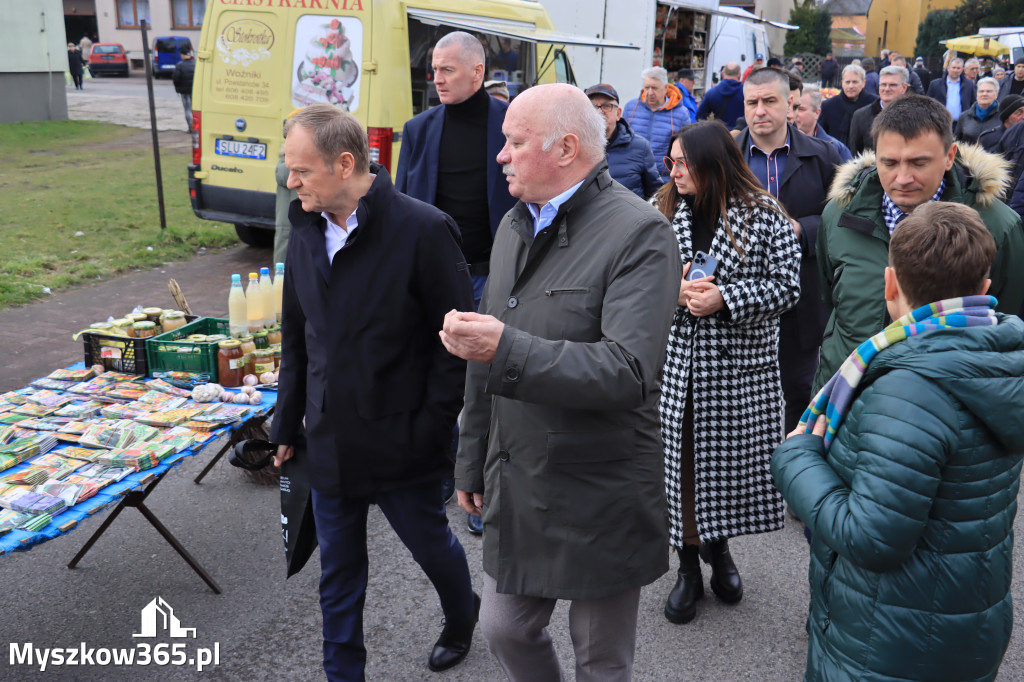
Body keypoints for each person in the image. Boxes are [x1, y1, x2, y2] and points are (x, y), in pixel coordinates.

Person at [444, 83, 681, 681]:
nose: (501, 155)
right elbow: (484, 369)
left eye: (515, 142)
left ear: (567, 148)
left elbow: (627, 371)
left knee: (599, 658)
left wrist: (507, 347)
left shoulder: (640, 233)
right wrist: (470, 462)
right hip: (519, 476)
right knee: (504, 628)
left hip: (598, 483)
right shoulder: (514, 225)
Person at [773, 201, 1024, 682]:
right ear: (985, 291)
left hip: (886, 639)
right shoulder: (1002, 361)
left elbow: (872, 538)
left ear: (890, 285)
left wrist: (796, 457)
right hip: (966, 618)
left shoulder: (908, 389)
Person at [271, 104, 478, 680]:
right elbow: (297, 336)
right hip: (330, 440)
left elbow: (457, 348)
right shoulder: (306, 228)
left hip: (403, 441)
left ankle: (462, 618)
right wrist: (286, 425)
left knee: (432, 548)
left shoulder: (424, 230)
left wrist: (432, 428)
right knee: (338, 573)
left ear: (344, 164)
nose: (292, 182)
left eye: (302, 170)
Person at [655, 119, 800, 624]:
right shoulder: (661, 209)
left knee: (722, 470)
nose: (673, 171)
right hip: (676, 369)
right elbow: (633, 281)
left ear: (713, 165)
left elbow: (788, 287)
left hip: (738, 373)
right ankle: (688, 567)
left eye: (683, 163)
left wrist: (727, 297)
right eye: (670, 161)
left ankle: (720, 551)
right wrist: (669, 293)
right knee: (682, 471)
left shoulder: (765, 215)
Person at [813, 94, 1024, 392]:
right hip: (844, 394)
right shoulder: (839, 215)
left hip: (946, 407)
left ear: (950, 156)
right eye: (889, 162)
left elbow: (1009, 321)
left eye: (918, 162)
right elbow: (830, 298)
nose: (902, 178)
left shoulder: (997, 226)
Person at [396, 31, 517, 535]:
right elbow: (400, 202)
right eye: (434, 70)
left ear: (476, 71)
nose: (437, 79)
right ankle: (444, 470)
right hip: (434, 273)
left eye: (447, 70)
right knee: (435, 372)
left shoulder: (507, 123)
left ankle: (481, 486)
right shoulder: (420, 128)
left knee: (485, 378)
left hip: (493, 269)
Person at [735, 67, 841, 434]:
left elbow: (841, 218)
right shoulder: (727, 157)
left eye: (769, 101)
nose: (760, 111)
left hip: (804, 293)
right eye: (752, 102)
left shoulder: (823, 156)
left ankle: (795, 466)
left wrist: (802, 229)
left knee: (800, 388)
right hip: (743, 295)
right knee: (742, 392)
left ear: (790, 103)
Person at [585, 83, 661, 199]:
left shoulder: (640, 147)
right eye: (593, 106)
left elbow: (655, 193)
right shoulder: (574, 148)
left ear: (618, 113)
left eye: (606, 106)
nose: (600, 112)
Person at [624, 66, 692, 183]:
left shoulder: (681, 114)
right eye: (647, 88)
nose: (650, 92)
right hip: (633, 176)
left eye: (654, 88)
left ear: (666, 88)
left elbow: (686, 149)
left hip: (664, 179)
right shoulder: (631, 108)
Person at [848, 65, 909, 155]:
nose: (887, 89)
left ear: (904, 88)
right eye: (883, 84)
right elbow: (855, 153)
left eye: (892, 85)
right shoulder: (860, 116)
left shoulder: (916, 116)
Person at [819, 64, 877, 149]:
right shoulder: (829, 105)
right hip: (835, 155)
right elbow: (821, 134)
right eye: (847, 82)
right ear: (842, 83)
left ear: (864, 83)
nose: (851, 86)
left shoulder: (874, 103)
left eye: (855, 82)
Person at [795, 85, 853, 162]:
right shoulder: (777, 144)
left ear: (817, 113)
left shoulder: (836, 149)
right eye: (792, 107)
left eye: (801, 109)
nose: (794, 114)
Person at [696, 61, 745, 129]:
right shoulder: (746, 92)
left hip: (721, 135)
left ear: (722, 74)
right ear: (739, 75)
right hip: (742, 135)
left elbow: (700, 117)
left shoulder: (711, 93)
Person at [955, 76, 1002, 145]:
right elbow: (957, 142)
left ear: (996, 95)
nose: (984, 94)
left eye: (989, 91)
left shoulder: (1003, 116)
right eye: (981, 91)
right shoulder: (964, 116)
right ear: (977, 94)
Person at [171, 46, 196, 130]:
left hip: (184, 92)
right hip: (195, 91)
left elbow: (176, 79)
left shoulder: (180, 65)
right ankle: (196, 127)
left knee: (187, 109)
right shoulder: (195, 64)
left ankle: (190, 127)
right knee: (195, 108)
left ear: (182, 55)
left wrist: (178, 89)